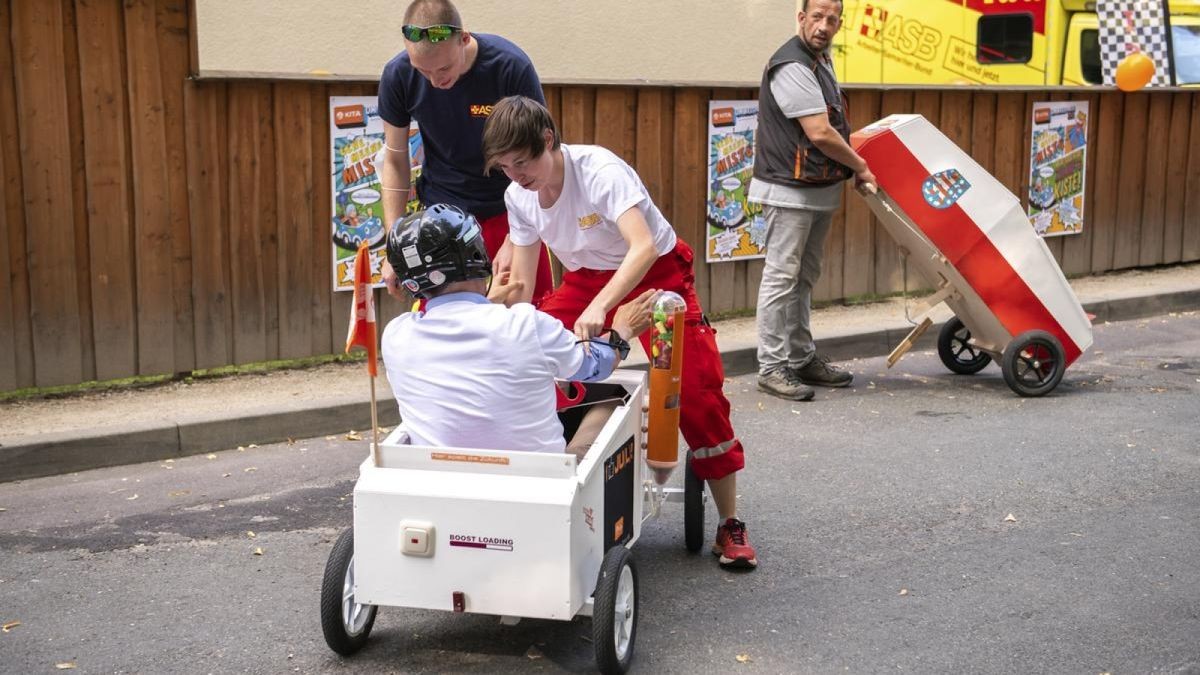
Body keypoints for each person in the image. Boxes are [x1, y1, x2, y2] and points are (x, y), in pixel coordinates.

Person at [481, 96, 759, 570]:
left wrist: (604, 307)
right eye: (505, 167)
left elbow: (644, 246)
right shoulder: (518, 196)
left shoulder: (599, 171)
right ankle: (545, 477)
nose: (516, 175)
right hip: (585, 279)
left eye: (522, 162)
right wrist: (487, 309)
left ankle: (730, 523)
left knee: (694, 391)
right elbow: (524, 286)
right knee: (532, 356)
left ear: (548, 141)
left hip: (655, 276)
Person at [380, 203, 655, 455]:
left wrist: (487, 301)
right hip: (539, 483)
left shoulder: (396, 336)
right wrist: (622, 331)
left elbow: (456, 323)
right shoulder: (526, 324)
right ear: (476, 253)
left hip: (440, 480)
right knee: (616, 396)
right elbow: (595, 365)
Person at [376, 0, 554, 304]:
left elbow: (542, 155)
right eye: (423, 71)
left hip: (509, 209)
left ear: (465, 38)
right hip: (442, 217)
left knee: (528, 315)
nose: (435, 80)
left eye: (444, 67)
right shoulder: (398, 75)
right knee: (443, 322)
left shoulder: (509, 67)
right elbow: (394, 159)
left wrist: (517, 235)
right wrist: (396, 246)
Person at [749, 0, 876, 401]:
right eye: (816, 17)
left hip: (815, 189)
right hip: (789, 190)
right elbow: (820, 132)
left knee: (802, 280)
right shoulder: (792, 64)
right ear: (800, 18)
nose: (824, 25)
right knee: (782, 278)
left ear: (840, 24)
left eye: (832, 19)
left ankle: (802, 358)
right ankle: (771, 367)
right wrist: (862, 167)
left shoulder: (819, 60)